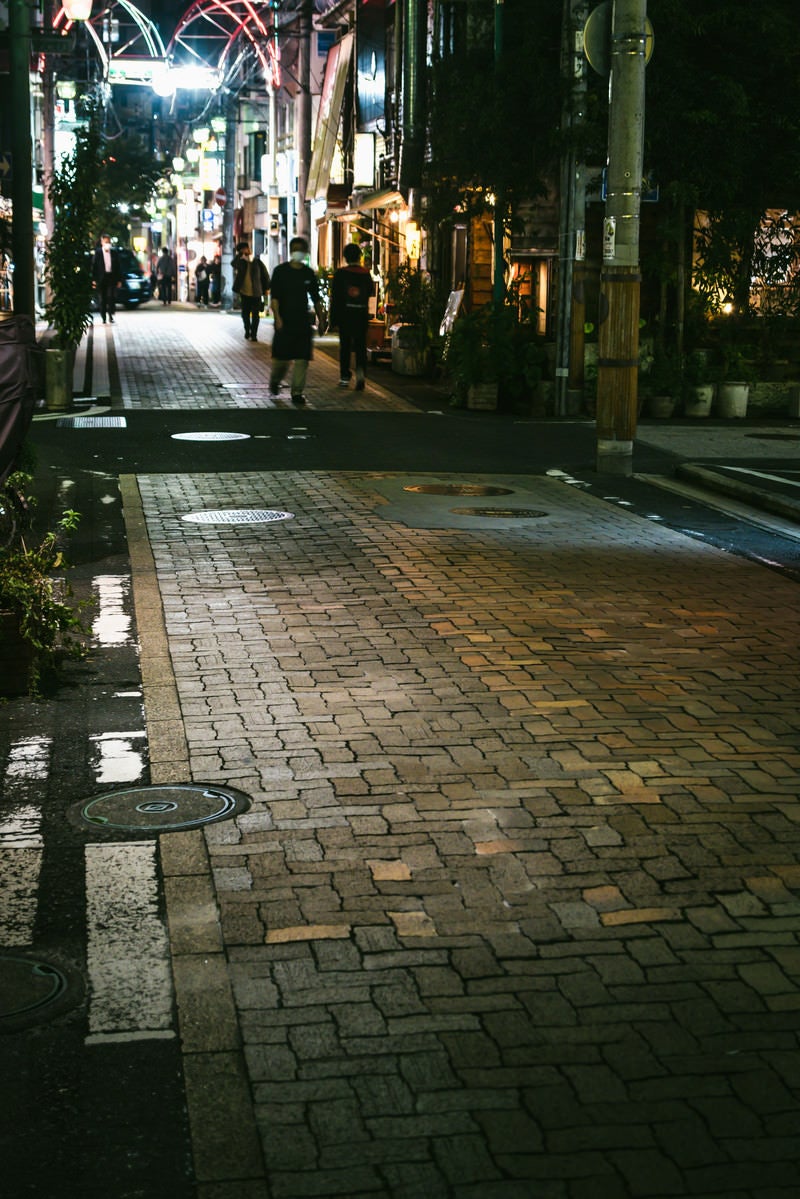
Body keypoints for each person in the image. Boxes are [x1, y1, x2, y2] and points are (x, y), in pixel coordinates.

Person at [268, 236, 324, 405]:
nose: (299, 252)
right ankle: (275, 381)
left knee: (302, 359)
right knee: (282, 360)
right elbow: (275, 298)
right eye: (296, 249)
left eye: (302, 249)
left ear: (305, 252)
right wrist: (277, 318)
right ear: (291, 251)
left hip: (303, 322)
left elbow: (316, 298)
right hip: (285, 322)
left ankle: (297, 392)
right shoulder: (280, 271)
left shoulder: (308, 273)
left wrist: (322, 319)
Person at [329, 242, 375, 390]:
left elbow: (335, 298)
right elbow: (369, 293)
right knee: (361, 346)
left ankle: (344, 376)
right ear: (359, 256)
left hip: (345, 316)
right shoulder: (366, 274)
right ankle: (361, 373)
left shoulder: (340, 274)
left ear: (345, 257)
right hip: (361, 315)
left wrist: (333, 319)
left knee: (345, 346)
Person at [232, 243, 270, 340]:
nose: (246, 250)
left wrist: (266, 288)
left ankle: (254, 334)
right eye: (243, 249)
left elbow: (265, 275)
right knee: (245, 314)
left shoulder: (257, 261)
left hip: (256, 292)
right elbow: (233, 264)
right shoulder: (241, 262)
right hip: (244, 293)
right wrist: (240, 255)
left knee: (255, 315)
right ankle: (247, 330)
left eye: (247, 248)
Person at [91, 234, 121, 324]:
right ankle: (103, 317)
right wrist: (93, 279)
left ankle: (111, 315)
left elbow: (118, 267)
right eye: (106, 242)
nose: (108, 243)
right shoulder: (98, 253)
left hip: (111, 277)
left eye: (109, 242)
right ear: (102, 242)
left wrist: (119, 280)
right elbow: (94, 266)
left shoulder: (114, 253)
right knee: (102, 298)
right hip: (101, 278)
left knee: (111, 297)